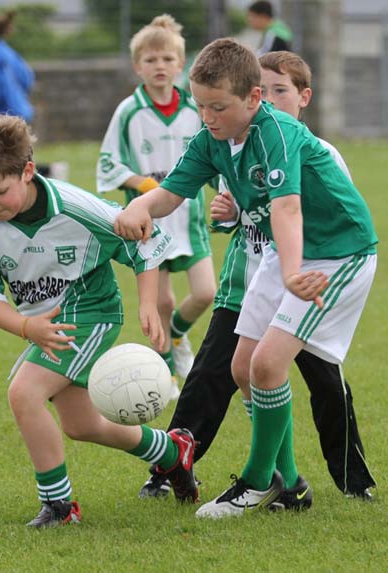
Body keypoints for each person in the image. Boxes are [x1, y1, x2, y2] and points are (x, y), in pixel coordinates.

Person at [113, 38, 377, 519]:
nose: (208, 117)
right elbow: (171, 193)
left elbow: (287, 207)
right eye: (201, 106)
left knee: (268, 366)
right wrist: (136, 206)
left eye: (219, 107)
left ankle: (258, 482)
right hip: (289, 254)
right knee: (241, 369)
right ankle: (290, 484)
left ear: (254, 100)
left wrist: (294, 272)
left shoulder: (275, 131)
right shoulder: (211, 137)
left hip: (338, 254)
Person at [0, 113, 198, 528]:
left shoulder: (75, 208)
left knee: (24, 393)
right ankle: (173, 454)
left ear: (28, 171)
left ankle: (60, 508)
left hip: (92, 312)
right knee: (82, 425)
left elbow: (144, 240)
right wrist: (27, 328)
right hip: (44, 324)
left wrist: (147, 304)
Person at [96, 15, 216, 398]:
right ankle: (164, 369)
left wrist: (225, 190)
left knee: (206, 293)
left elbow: (213, 157)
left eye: (167, 59)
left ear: (181, 65)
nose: (159, 66)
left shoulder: (195, 110)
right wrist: (144, 184)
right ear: (138, 66)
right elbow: (108, 163)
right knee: (161, 300)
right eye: (151, 60)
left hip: (191, 218)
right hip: (150, 222)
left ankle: (177, 335)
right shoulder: (128, 111)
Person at [0, 11, 66, 180]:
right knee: (10, 160)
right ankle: (51, 173)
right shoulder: (9, 52)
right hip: (21, 110)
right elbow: (27, 78)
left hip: (4, 115)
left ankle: (47, 174)